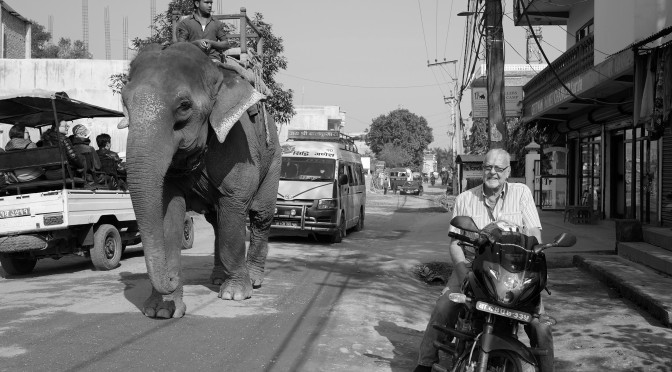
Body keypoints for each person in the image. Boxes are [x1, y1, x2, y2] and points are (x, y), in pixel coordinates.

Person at [415, 148, 553, 372]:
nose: (493, 173)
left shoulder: (521, 193)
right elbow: (455, 244)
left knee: (541, 324)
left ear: (508, 171)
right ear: (482, 170)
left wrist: (532, 263)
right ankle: (425, 362)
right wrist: (464, 276)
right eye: (488, 167)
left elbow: (535, 236)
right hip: (473, 268)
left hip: (513, 274)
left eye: (499, 168)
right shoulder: (465, 199)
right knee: (444, 306)